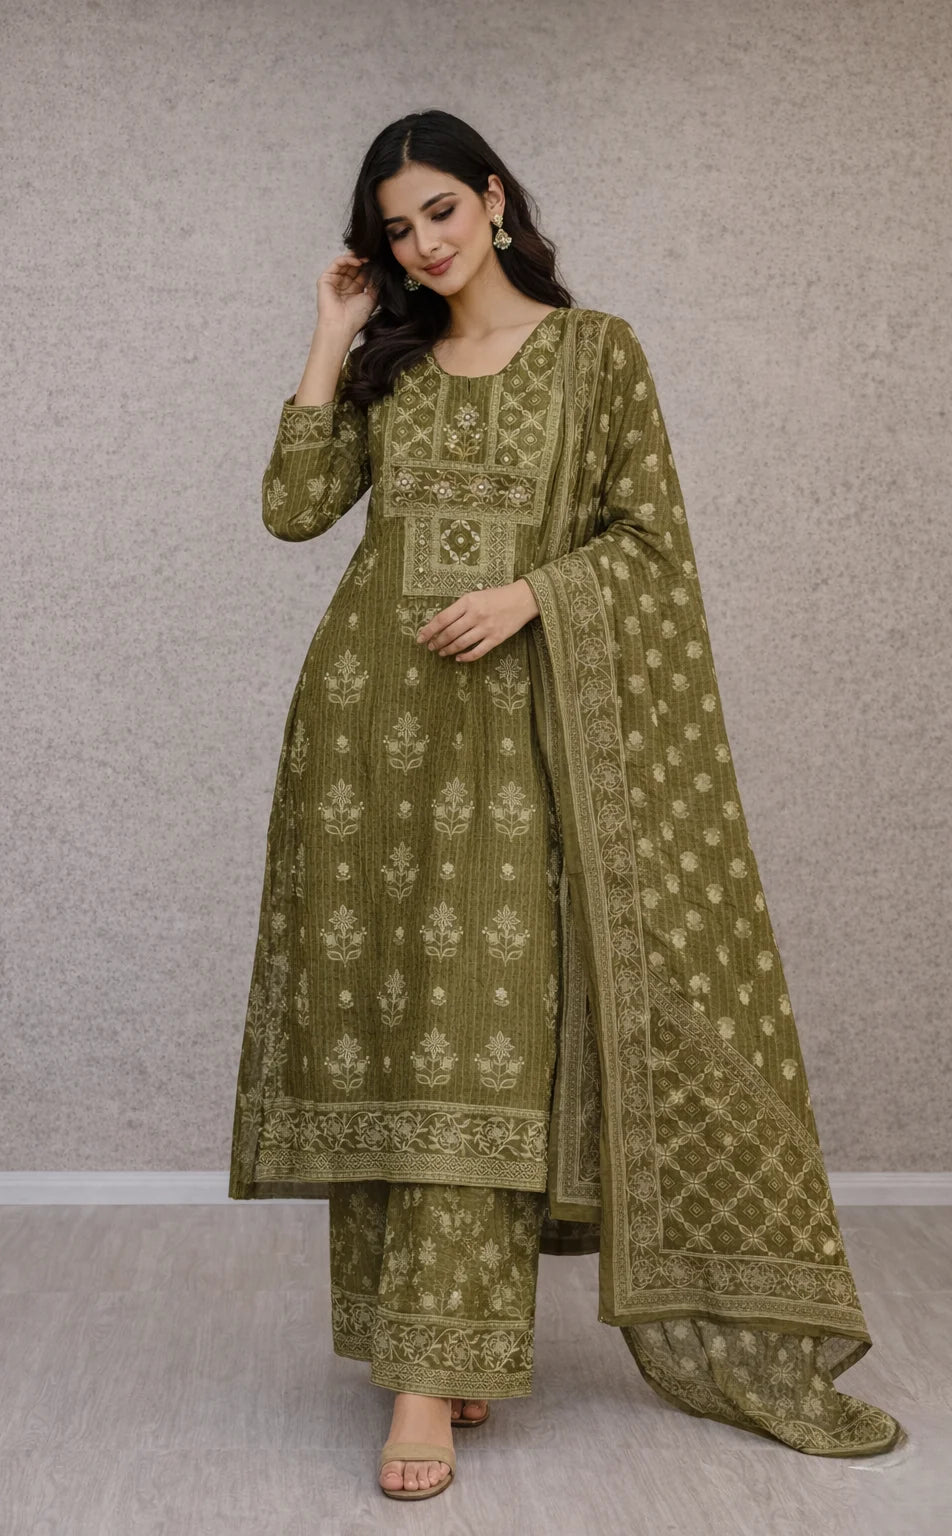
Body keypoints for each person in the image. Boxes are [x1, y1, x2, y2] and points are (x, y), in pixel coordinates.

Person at [228, 109, 907, 1501]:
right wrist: (327, 328)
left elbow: (651, 541)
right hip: (370, 740)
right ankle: (433, 1355)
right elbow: (295, 509)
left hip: (515, 741)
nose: (421, 243)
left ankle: (431, 1377)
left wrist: (532, 592)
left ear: (492, 196)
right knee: (400, 1035)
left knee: (483, 1039)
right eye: (394, 229)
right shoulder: (391, 364)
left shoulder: (599, 355)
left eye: (437, 212)